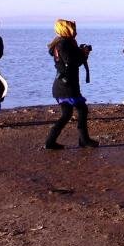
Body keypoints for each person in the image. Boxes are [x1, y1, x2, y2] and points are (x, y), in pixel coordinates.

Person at [44, 19, 98, 149]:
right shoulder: (64, 44)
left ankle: (54, 142)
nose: (75, 31)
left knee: (74, 112)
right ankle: (82, 140)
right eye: (72, 28)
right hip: (65, 86)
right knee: (76, 111)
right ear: (66, 29)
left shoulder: (63, 43)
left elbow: (72, 60)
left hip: (65, 84)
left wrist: (81, 53)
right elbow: (72, 61)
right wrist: (83, 53)